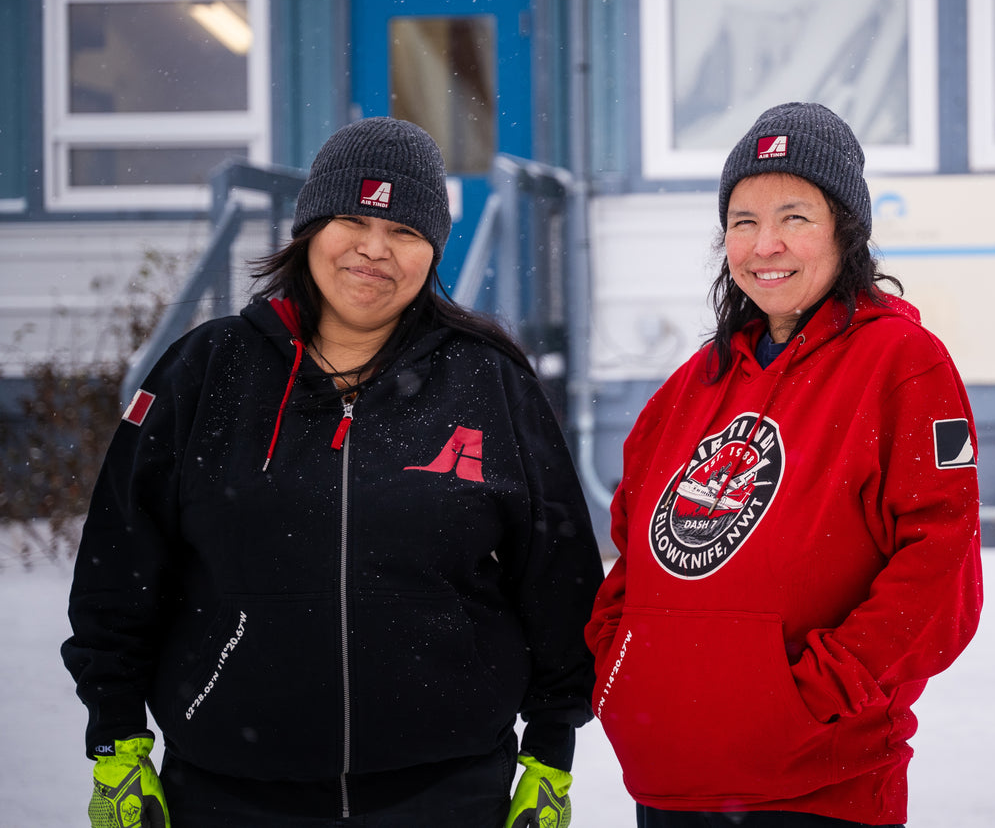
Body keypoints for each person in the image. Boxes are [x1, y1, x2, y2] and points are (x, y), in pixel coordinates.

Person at [62, 117, 603, 827]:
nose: (374, 250)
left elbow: (556, 572)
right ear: (309, 229)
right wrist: (116, 733)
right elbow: (121, 558)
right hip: (231, 787)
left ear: (432, 250)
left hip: (446, 789)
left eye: (405, 231)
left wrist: (551, 750)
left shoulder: (486, 380)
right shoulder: (208, 370)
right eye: (352, 219)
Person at [585, 102, 985, 827]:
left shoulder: (900, 365)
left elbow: (940, 565)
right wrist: (627, 674)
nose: (764, 243)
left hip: (817, 787)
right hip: (668, 779)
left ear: (844, 232)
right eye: (742, 221)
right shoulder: (685, 390)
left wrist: (813, 695)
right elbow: (630, 557)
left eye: (794, 217)